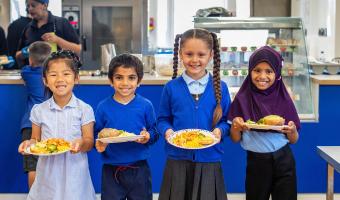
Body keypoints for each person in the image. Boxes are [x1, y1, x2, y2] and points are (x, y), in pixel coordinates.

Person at [157, 28, 231, 200]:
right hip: (177, 159)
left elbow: (227, 121)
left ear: (211, 55)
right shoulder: (171, 88)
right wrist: (167, 131)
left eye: (201, 54)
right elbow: (162, 119)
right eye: (189, 54)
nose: (195, 60)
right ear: (181, 54)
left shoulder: (221, 87)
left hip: (209, 159)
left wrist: (220, 132)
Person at [18, 50, 96, 200]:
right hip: (48, 173)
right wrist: (29, 144)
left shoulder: (84, 109)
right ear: (45, 81)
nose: (60, 79)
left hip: (75, 172)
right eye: (53, 75)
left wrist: (81, 144)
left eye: (66, 74)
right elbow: (36, 140)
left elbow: (89, 141)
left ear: (76, 78)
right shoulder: (38, 110)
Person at [228, 46, 300, 200]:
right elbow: (235, 139)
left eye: (269, 71)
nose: (262, 76)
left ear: (277, 73)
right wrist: (235, 126)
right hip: (256, 162)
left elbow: (293, 140)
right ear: (250, 71)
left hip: (284, 160)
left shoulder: (284, 98)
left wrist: (292, 131)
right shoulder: (242, 98)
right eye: (257, 70)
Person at [95, 53, 158, 200]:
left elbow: (155, 132)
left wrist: (148, 136)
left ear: (139, 81)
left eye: (131, 77)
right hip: (111, 170)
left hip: (139, 169)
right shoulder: (103, 107)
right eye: (119, 77)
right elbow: (96, 133)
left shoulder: (145, 105)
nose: (125, 83)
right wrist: (99, 143)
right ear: (111, 80)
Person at [20, 41, 51, 189]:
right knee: (50, 165)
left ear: (31, 60)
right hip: (50, 123)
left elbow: (25, 66)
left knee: (33, 166)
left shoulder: (27, 72)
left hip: (30, 124)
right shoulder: (51, 76)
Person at [16, 0, 80, 67]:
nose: (30, 9)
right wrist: (23, 53)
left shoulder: (62, 23)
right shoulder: (28, 28)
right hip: (34, 74)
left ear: (45, 5)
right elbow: (17, 55)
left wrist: (58, 40)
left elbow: (78, 50)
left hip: (57, 73)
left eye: (33, 5)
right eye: (28, 6)